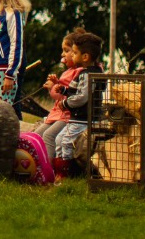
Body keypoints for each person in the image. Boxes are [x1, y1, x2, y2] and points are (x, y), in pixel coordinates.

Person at [34, 28, 87, 158]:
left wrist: (54, 87)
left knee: (48, 135)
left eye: (67, 51)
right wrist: (55, 84)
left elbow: (66, 95)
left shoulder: (78, 72)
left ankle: (50, 167)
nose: (63, 54)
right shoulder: (67, 72)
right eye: (63, 50)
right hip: (57, 113)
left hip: (66, 115)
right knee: (36, 135)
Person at [57, 31, 104, 179]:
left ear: (85, 57)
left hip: (82, 118)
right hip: (77, 118)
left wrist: (65, 103)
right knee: (59, 140)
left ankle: (68, 175)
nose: (71, 55)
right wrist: (64, 90)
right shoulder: (84, 73)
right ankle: (59, 171)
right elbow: (75, 90)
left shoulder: (88, 74)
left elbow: (82, 97)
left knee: (66, 143)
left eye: (75, 52)